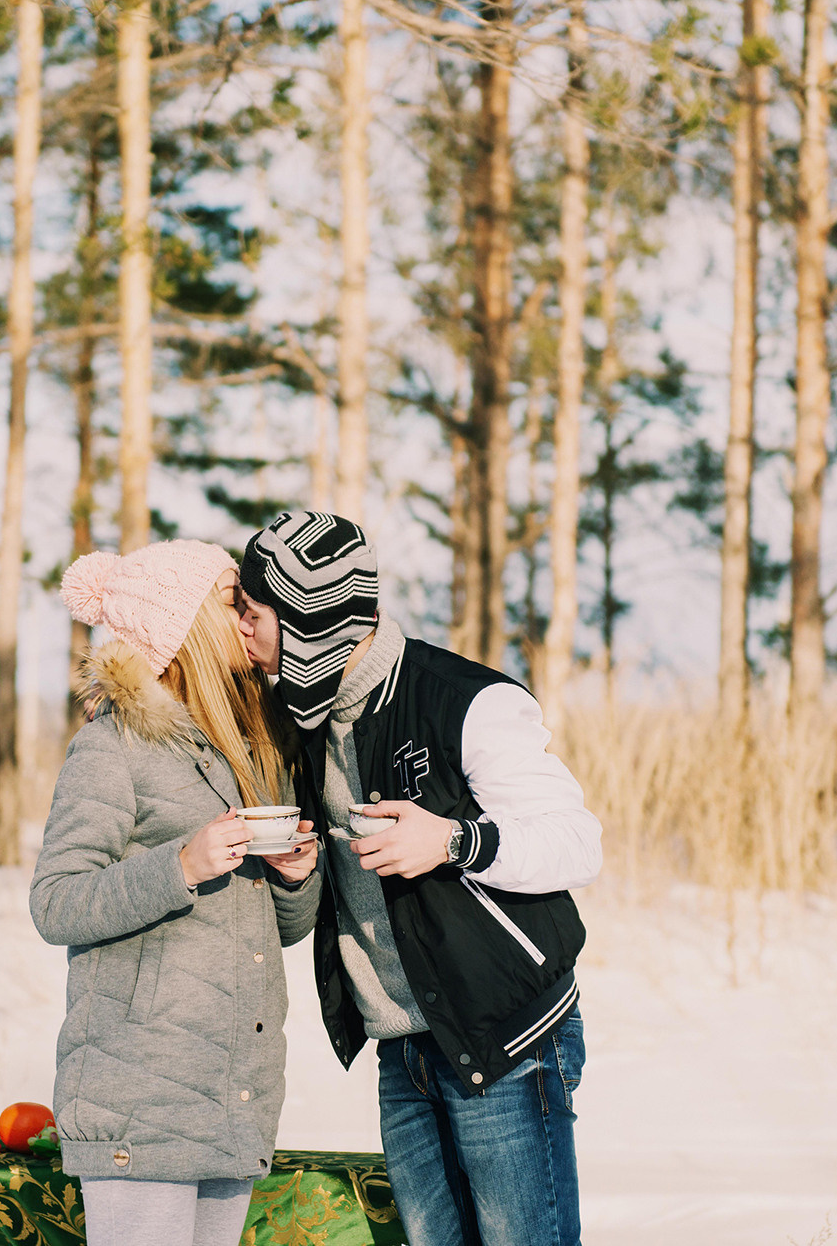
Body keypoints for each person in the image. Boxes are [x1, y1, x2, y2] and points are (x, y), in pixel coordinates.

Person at [234, 510, 602, 1246]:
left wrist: (454, 840)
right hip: (404, 1049)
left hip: (504, 1038)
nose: (241, 625)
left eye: (254, 610)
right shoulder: (307, 720)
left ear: (307, 620)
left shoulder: (467, 700)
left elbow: (577, 842)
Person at [31, 539, 321, 1246]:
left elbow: (282, 930)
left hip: (233, 1092)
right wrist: (180, 865)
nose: (252, 614)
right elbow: (57, 900)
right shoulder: (115, 744)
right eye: (232, 600)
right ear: (185, 621)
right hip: (140, 1098)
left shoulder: (258, 741)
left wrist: (295, 877)